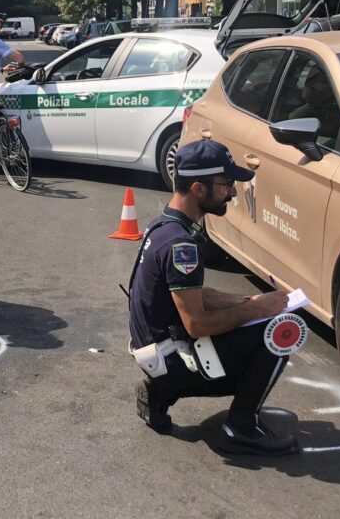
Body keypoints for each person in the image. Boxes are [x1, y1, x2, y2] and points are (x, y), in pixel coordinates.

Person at [127, 139, 299, 456]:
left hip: (154, 347)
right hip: (171, 355)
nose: (232, 192)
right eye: (225, 185)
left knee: (257, 318)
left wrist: (243, 302)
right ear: (198, 189)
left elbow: (191, 295)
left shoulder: (164, 224)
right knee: (281, 329)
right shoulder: (182, 246)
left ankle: (160, 393)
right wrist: (260, 309)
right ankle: (241, 427)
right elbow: (195, 324)